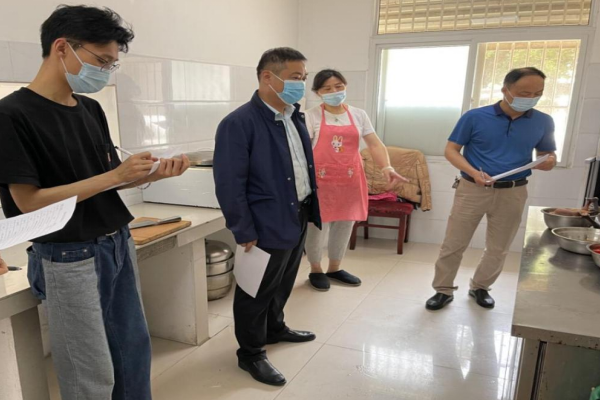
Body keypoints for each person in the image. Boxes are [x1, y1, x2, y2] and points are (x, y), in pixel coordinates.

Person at [0, 6, 189, 399]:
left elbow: (101, 183)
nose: (105, 71)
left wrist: (153, 174)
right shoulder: (11, 115)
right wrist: (115, 176)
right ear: (62, 48)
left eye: (111, 64)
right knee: (91, 373)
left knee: (133, 354)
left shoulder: (90, 108)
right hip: (68, 255)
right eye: (101, 61)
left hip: (117, 242)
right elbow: (29, 202)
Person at [213, 47, 321, 386]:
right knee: (255, 291)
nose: (301, 84)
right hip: (263, 223)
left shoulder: (292, 116)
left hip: (296, 213)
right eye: (295, 77)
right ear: (267, 77)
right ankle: (251, 353)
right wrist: (243, 228)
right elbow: (229, 183)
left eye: (303, 78)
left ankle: (274, 328)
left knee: (283, 281)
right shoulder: (239, 123)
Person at [425, 67, 556, 311]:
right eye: (524, 93)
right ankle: (443, 289)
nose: (531, 98)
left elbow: (547, 155)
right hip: (472, 188)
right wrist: (473, 172)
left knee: (499, 247)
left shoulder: (543, 121)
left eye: (538, 93)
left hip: (514, 191)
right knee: (454, 243)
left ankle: (480, 287)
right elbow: (451, 150)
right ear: (505, 90)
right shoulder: (475, 117)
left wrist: (549, 161)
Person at [304, 69, 408, 291]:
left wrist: (387, 167)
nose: (334, 91)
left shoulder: (358, 114)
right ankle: (315, 269)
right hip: (321, 182)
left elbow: (375, 144)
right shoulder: (310, 115)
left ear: (345, 86)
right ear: (317, 92)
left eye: (338, 86)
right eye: (327, 88)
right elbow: (303, 151)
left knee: (345, 224)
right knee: (317, 227)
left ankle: (335, 268)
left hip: (350, 180)